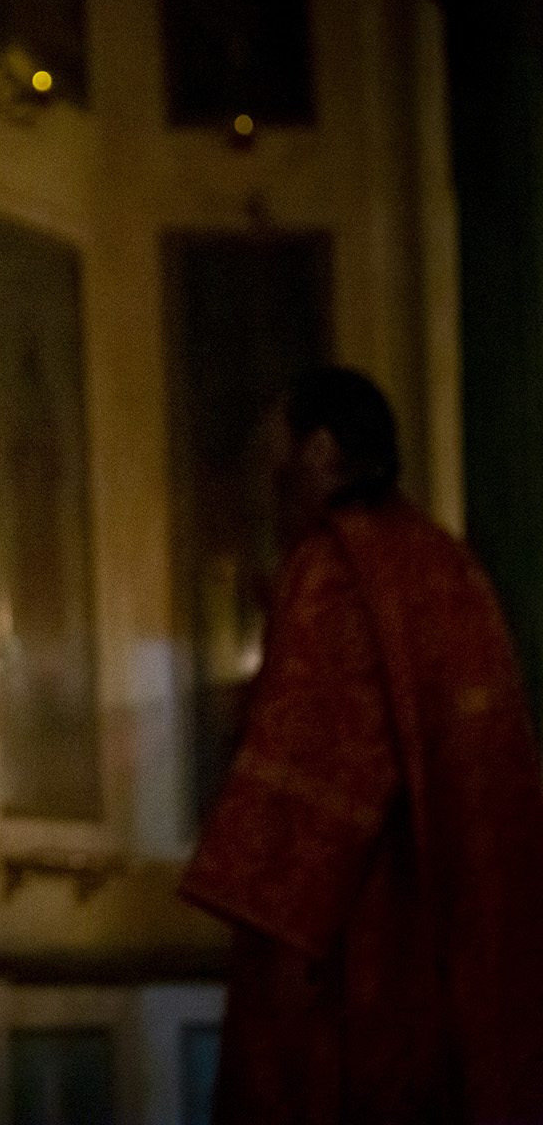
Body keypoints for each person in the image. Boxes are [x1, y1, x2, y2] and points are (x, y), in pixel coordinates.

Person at [181, 366, 543, 1124]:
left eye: (275, 454)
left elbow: (304, 801)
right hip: (462, 945)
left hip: (361, 957)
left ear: (318, 450)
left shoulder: (337, 567)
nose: (269, 483)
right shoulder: (447, 567)